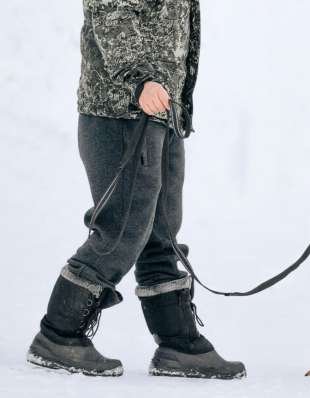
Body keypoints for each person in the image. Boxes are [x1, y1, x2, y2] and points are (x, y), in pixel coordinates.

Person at [26, 0, 246, 379]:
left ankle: (179, 343)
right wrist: (141, 78)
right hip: (119, 113)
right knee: (121, 230)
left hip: (161, 113)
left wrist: (172, 101)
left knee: (161, 233)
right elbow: (110, 12)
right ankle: (58, 334)